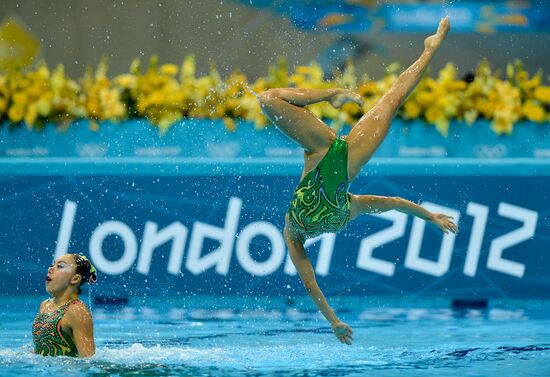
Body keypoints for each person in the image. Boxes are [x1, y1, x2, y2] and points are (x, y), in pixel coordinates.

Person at [258, 18, 457, 345]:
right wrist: (430, 216)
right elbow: (393, 204)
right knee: (391, 101)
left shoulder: (300, 231)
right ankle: (428, 51)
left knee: (268, 100)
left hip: (320, 147)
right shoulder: (339, 213)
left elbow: (311, 284)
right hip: (342, 152)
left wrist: (334, 321)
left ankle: (333, 93)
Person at [32, 254, 97, 357]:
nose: (50, 269)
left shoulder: (77, 312)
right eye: (52, 265)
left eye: (60, 266)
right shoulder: (45, 305)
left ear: (75, 279)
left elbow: (88, 361)